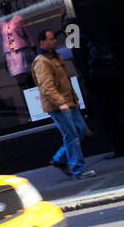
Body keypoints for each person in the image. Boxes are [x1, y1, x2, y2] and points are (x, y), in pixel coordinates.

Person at [33, 29, 95, 180]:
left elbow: (65, 80)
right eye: (51, 39)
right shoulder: (42, 61)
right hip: (58, 106)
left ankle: (60, 159)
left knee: (80, 130)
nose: (54, 41)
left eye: (54, 39)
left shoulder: (55, 57)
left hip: (69, 102)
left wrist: (74, 100)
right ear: (42, 42)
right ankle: (78, 170)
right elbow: (46, 87)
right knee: (71, 136)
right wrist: (61, 103)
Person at [67, 19, 124, 159]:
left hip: (96, 83)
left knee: (105, 115)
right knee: (110, 113)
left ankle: (119, 146)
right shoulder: (90, 38)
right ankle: (122, 142)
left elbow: (81, 64)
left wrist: (86, 81)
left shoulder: (78, 42)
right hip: (107, 80)